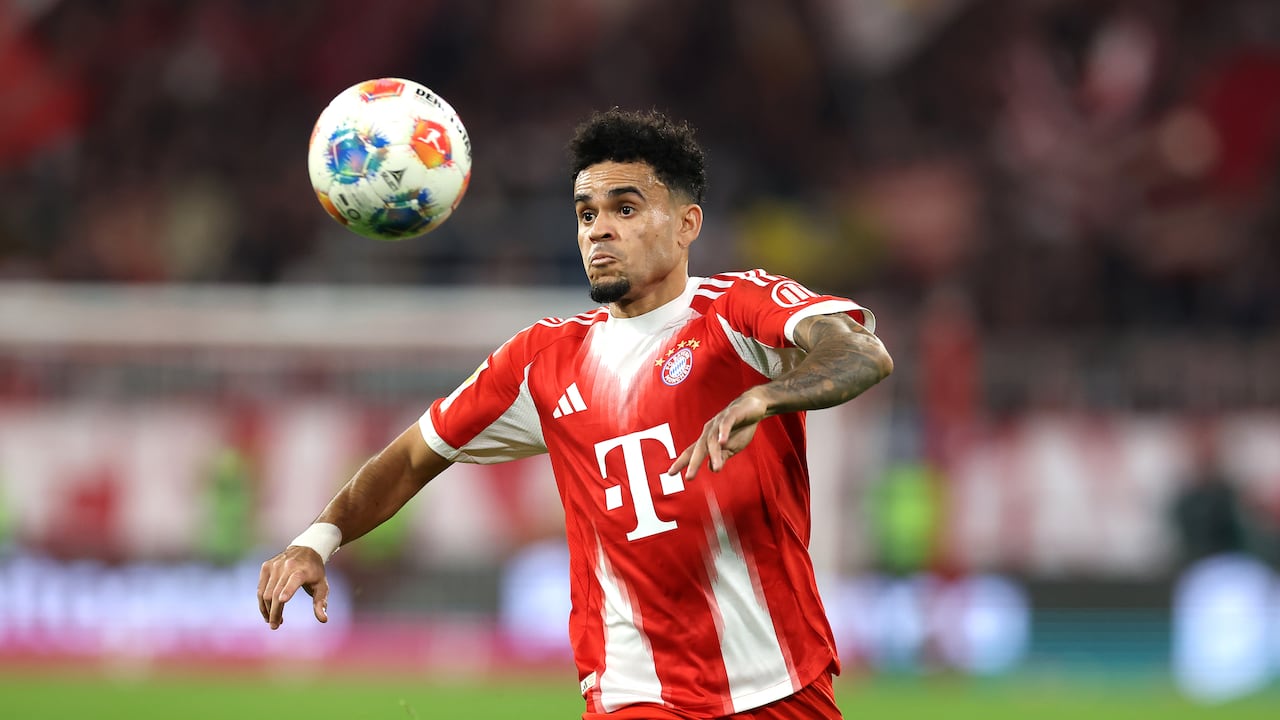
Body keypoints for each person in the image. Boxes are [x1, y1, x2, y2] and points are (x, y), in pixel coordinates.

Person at [258, 108, 893, 719]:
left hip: (784, 681)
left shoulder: (739, 312)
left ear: (687, 224)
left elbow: (862, 351)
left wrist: (766, 394)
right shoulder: (543, 360)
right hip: (634, 693)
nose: (598, 230)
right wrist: (318, 538)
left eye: (625, 208)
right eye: (586, 213)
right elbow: (413, 456)